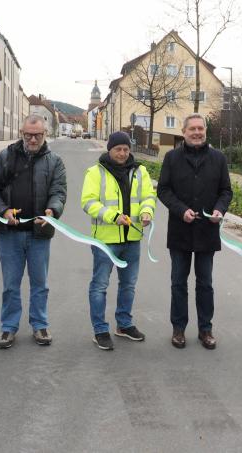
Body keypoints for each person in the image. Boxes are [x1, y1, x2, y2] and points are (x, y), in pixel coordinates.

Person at [0, 115, 67, 349]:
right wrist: (2, 210)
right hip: (10, 234)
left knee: (40, 283)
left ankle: (40, 325)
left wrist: (52, 210)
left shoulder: (54, 161)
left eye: (37, 135)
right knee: (11, 284)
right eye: (28, 134)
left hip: (40, 234)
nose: (32, 139)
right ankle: (8, 328)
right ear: (21, 132)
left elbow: (59, 191)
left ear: (45, 134)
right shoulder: (5, 156)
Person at [157, 113, 233, 349]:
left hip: (207, 232)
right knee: (178, 282)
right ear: (184, 131)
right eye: (193, 129)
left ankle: (205, 329)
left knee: (205, 283)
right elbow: (164, 190)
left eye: (201, 129)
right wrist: (181, 210)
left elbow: (226, 191)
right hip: (180, 230)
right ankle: (178, 329)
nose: (197, 132)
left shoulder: (218, 158)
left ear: (205, 132)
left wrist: (220, 210)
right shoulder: (172, 157)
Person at [81, 131, 156, 350]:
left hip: (133, 238)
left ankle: (123, 324)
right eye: (118, 149)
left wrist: (147, 212)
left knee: (128, 285)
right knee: (100, 286)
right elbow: (88, 202)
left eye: (125, 149)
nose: (122, 153)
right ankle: (100, 330)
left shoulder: (140, 171)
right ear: (110, 150)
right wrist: (113, 216)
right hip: (105, 240)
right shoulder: (96, 172)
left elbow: (148, 197)